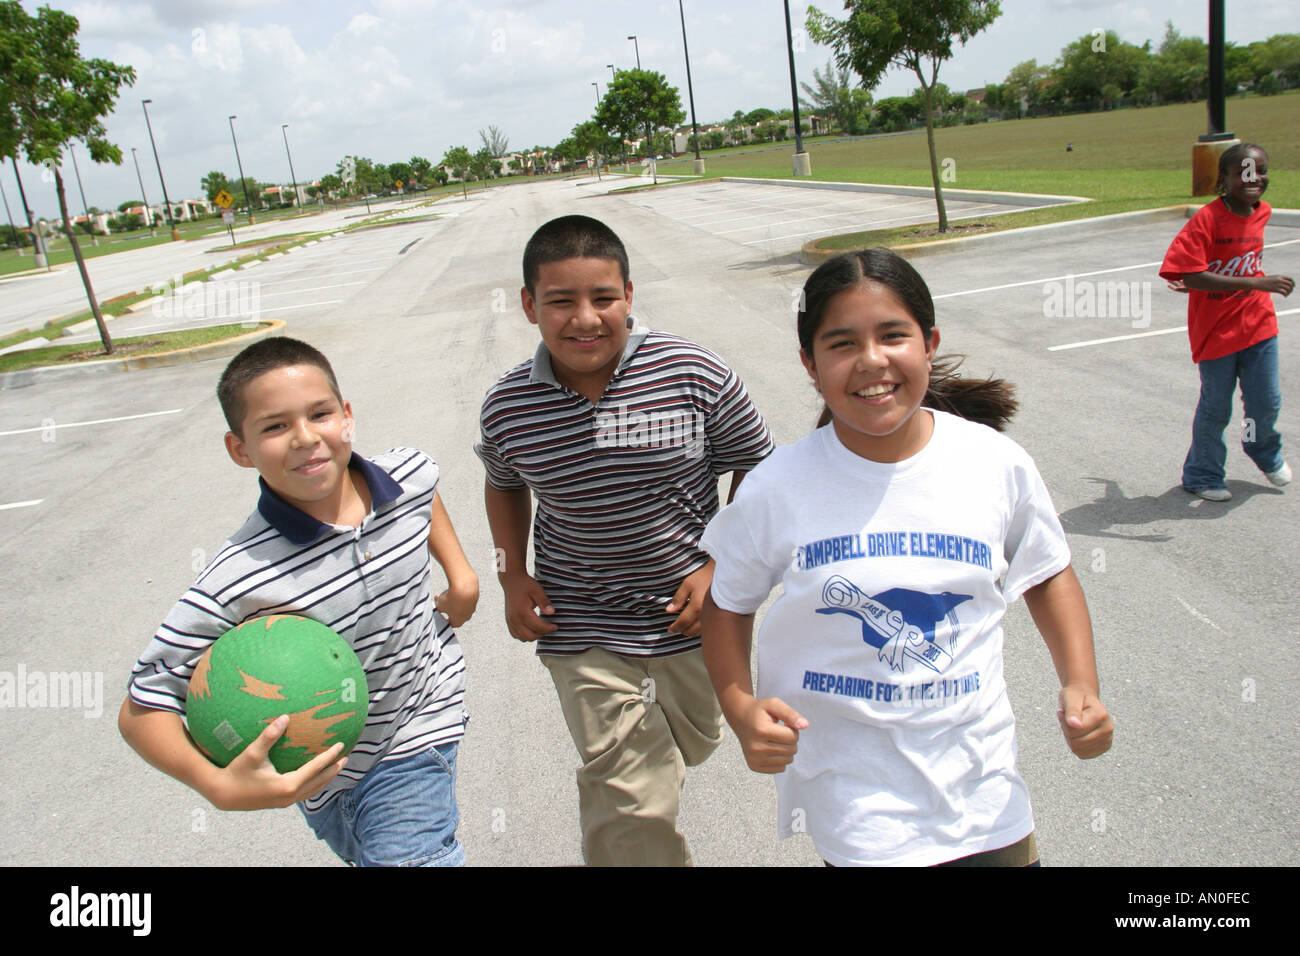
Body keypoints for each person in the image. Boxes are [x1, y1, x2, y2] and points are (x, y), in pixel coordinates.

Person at [699, 248, 1113, 867]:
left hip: (986, 793)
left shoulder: (993, 464)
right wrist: (740, 708)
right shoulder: (777, 487)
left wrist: (1082, 684)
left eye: (893, 335)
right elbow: (726, 606)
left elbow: (1047, 573)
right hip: (857, 803)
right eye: (841, 344)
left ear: (929, 342)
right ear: (810, 365)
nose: (872, 361)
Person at [477, 215, 773, 866]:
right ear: (529, 306)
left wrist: (721, 564)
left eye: (603, 298)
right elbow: (503, 485)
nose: (585, 318)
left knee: (692, 744)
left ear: (629, 296)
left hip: (692, 620)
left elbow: (758, 463)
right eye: (561, 301)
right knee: (628, 791)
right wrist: (511, 576)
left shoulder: (695, 374)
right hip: (579, 623)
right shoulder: (509, 407)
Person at [118, 336, 478, 867]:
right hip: (321, 777)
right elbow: (142, 704)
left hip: (418, 731)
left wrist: (462, 575)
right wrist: (216, 785)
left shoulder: (403, 474)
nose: (305, 438)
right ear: (239, 448)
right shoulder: (241, 576)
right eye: (274, 426)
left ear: (346, 416)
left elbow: (425, 490)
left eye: (320, 414)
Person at [1160, 141, 1294, 501]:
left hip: (1258, 324)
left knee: (1266, 402)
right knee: (1217, 407)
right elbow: (1188, 272)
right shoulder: (1207, 219)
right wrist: (1253, 282)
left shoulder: (1261, 212)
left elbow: (1227, 264)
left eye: (1261, 171)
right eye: (1244, 172)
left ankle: (1260, 449)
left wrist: (1225, 279)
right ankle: (1202, 473)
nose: (1254, 178)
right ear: (1224, 178)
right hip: (1216, 332)